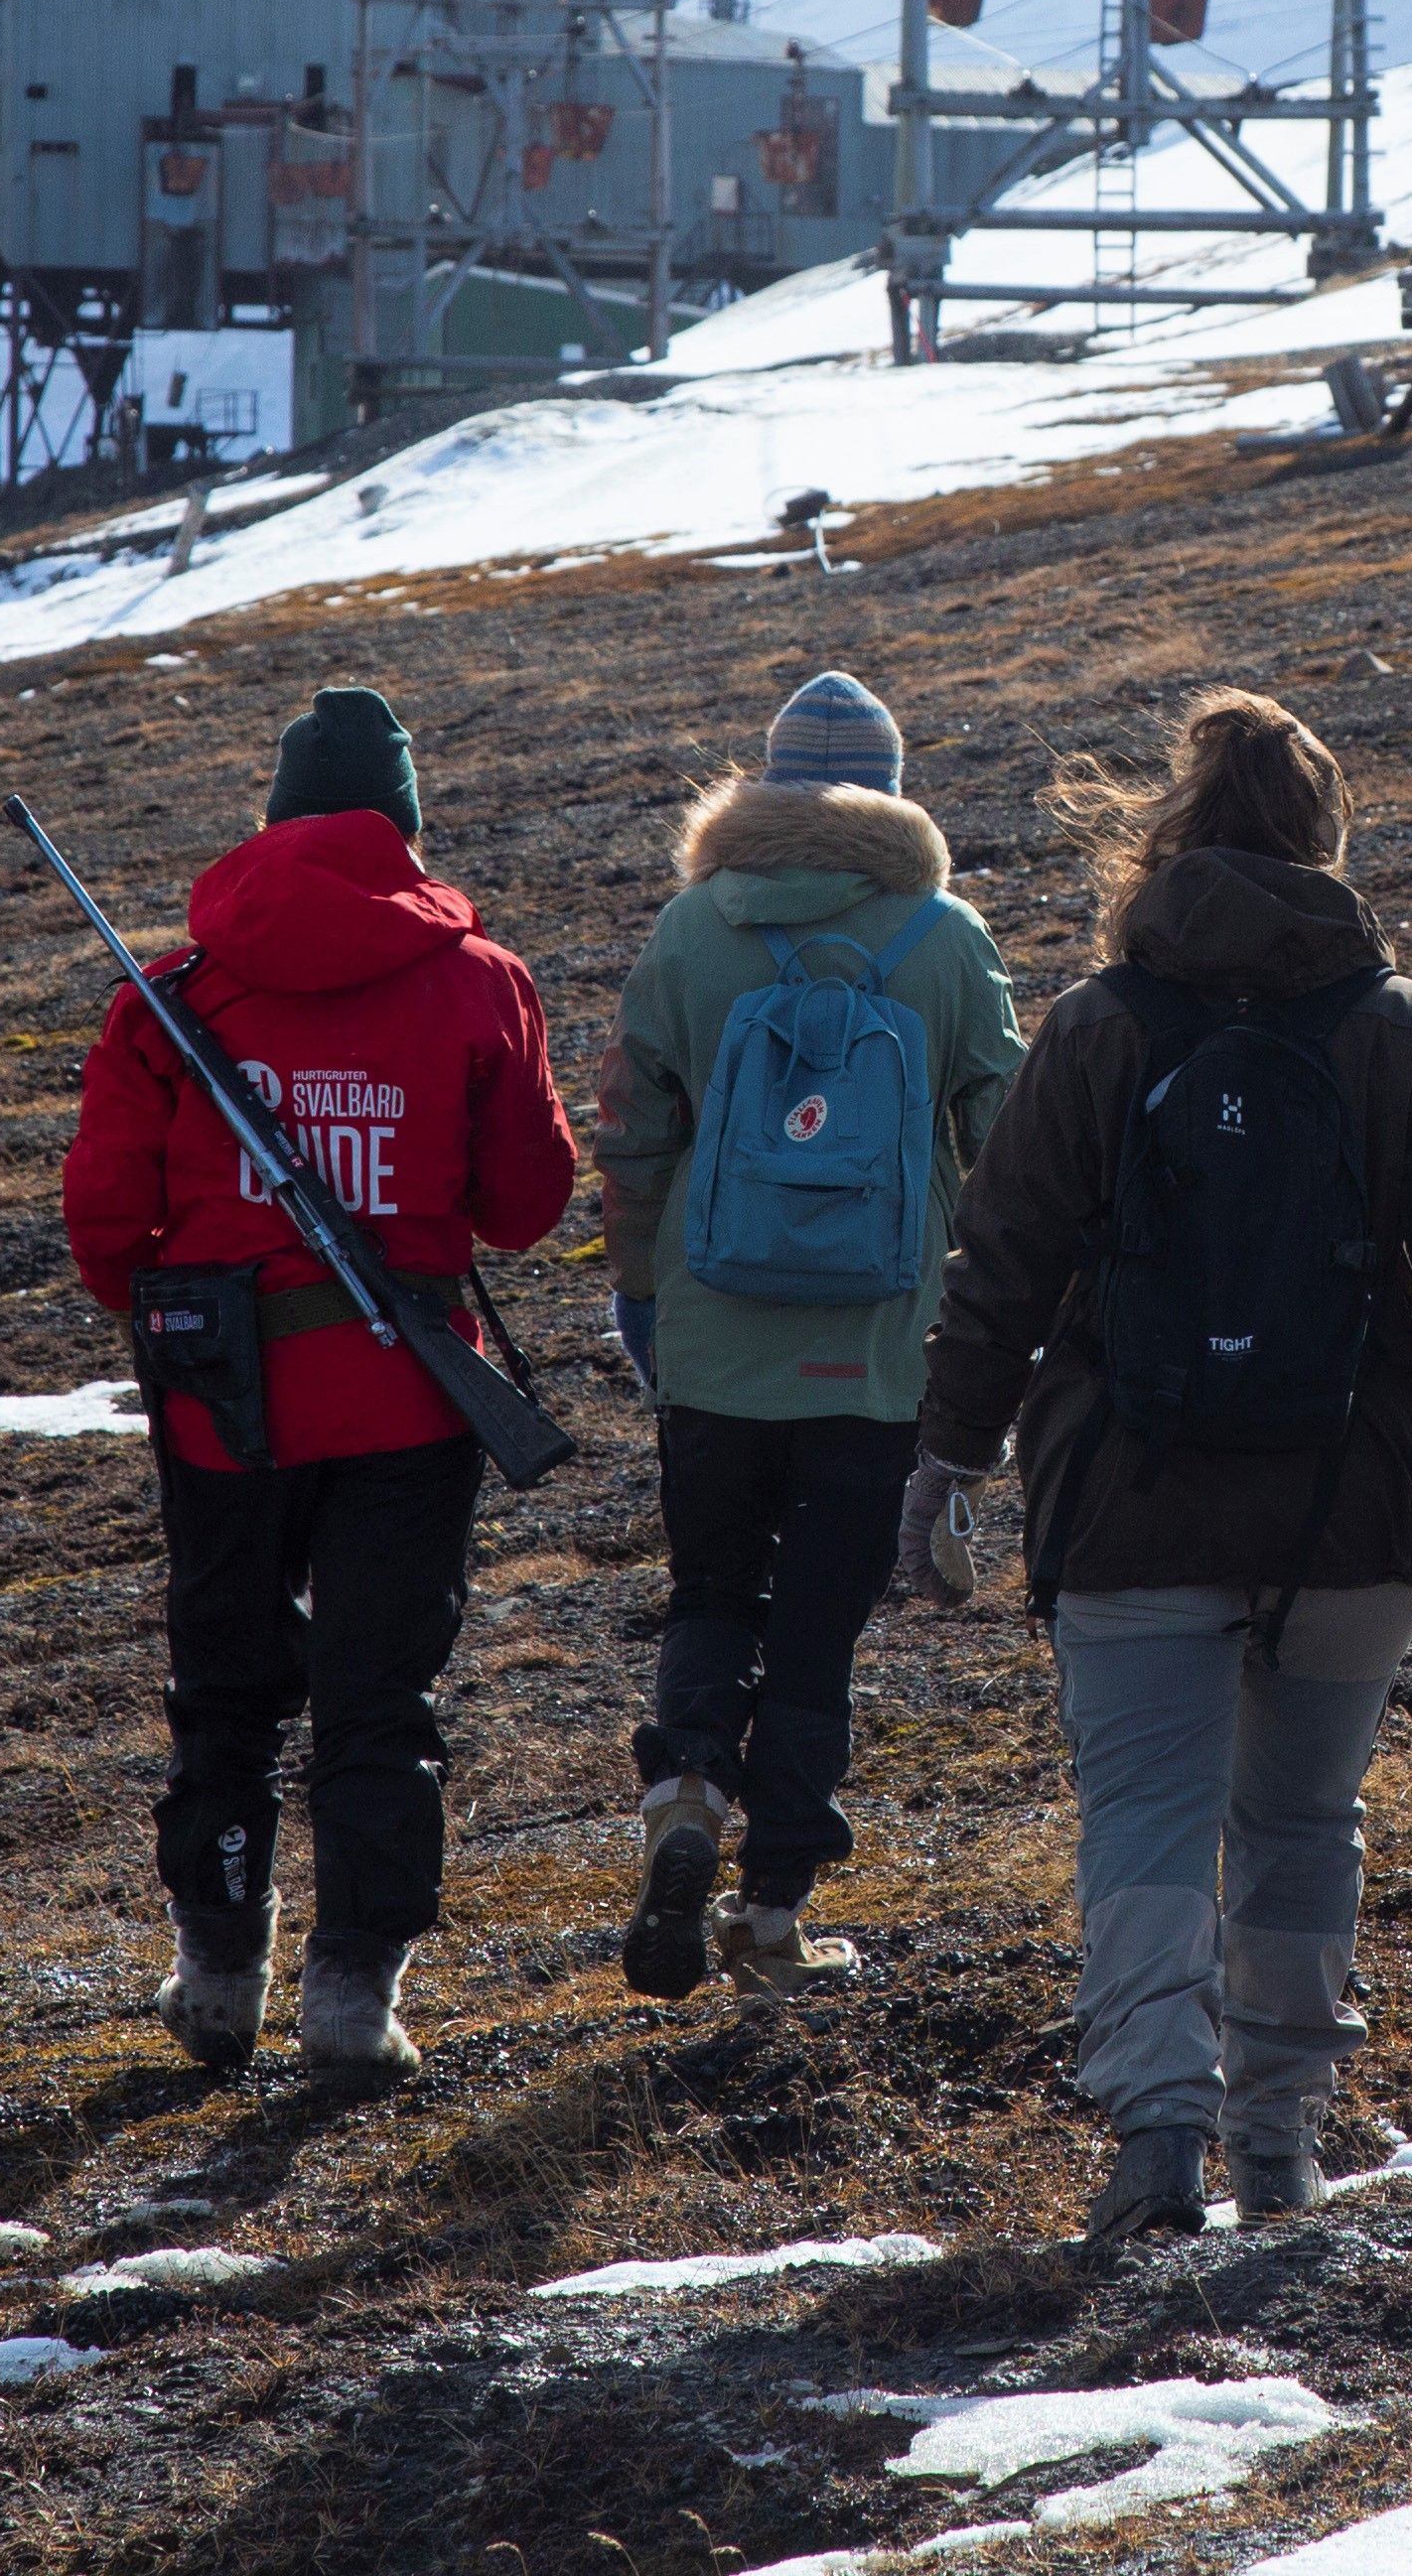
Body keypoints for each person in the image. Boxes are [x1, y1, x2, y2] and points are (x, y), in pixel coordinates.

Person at [909, 688, 1412, 2246]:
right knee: (1302, 1822)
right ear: (1324, 838)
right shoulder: (1397, 1028)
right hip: (1350, 1507)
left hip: (1129, 1505)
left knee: (1149, 1825)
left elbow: (1002, 1266)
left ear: (1171, 833)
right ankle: (1282, 2146)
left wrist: (946, 1464)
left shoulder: (1099, 1025)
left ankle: (1159, 2137)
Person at [65, 680, 579, 2087]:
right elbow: (528, 1205)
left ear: (275, 819)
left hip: (221, 1406)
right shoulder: (483, 981)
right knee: (377, 1699)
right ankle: (354, 1996)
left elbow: (107, 1233)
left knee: (224, 1688)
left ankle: (217, 1975)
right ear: (406, 827)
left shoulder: (167, 999)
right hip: (412, 1405)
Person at [591, 671, 1023, 2000]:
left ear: (765, 790)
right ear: (891, 795)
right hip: (874, 1361)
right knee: (820, 1642)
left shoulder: (688, 931)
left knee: (714, 1594)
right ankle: (772, 1920)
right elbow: (1007, 1147)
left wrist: (647, 1298)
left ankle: (682, 1790)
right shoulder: (945, 941)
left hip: (714, 1349)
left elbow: (631, 1136)